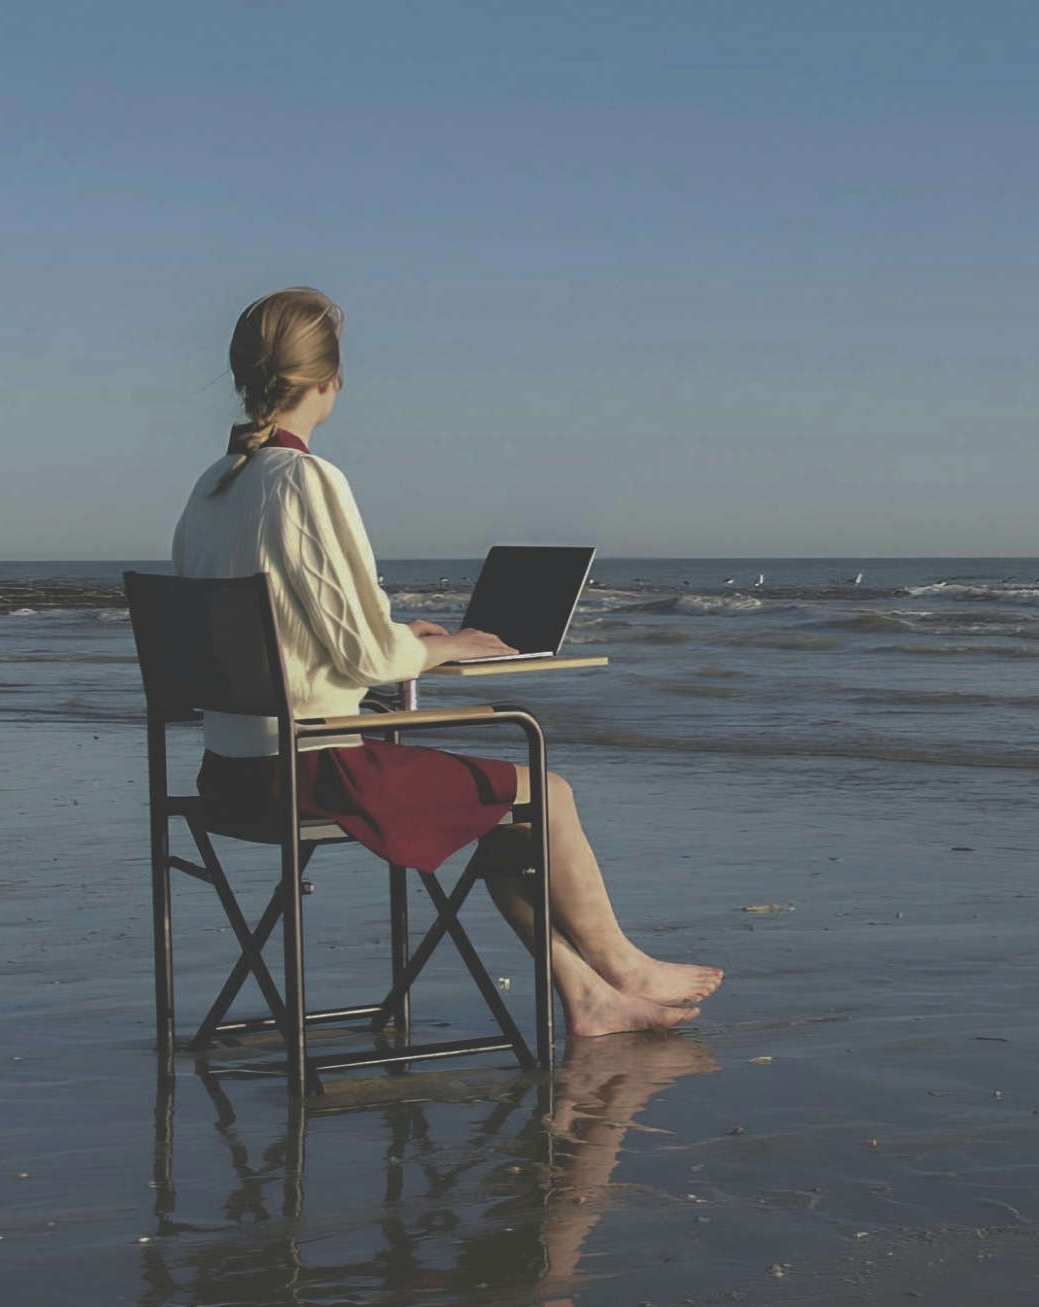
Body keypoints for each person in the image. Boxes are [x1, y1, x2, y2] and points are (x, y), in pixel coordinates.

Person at [171, 287, 721, 1035]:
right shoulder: (304, 480)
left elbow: (280, 630)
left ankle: (588, 999)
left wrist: (406, 636)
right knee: (544, 792)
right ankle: (622, 964)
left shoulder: (210, 488)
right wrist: (445, 646)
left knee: (508, 816)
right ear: (330, 380)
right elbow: (364, 654)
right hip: (311, 770)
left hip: (228, 776)